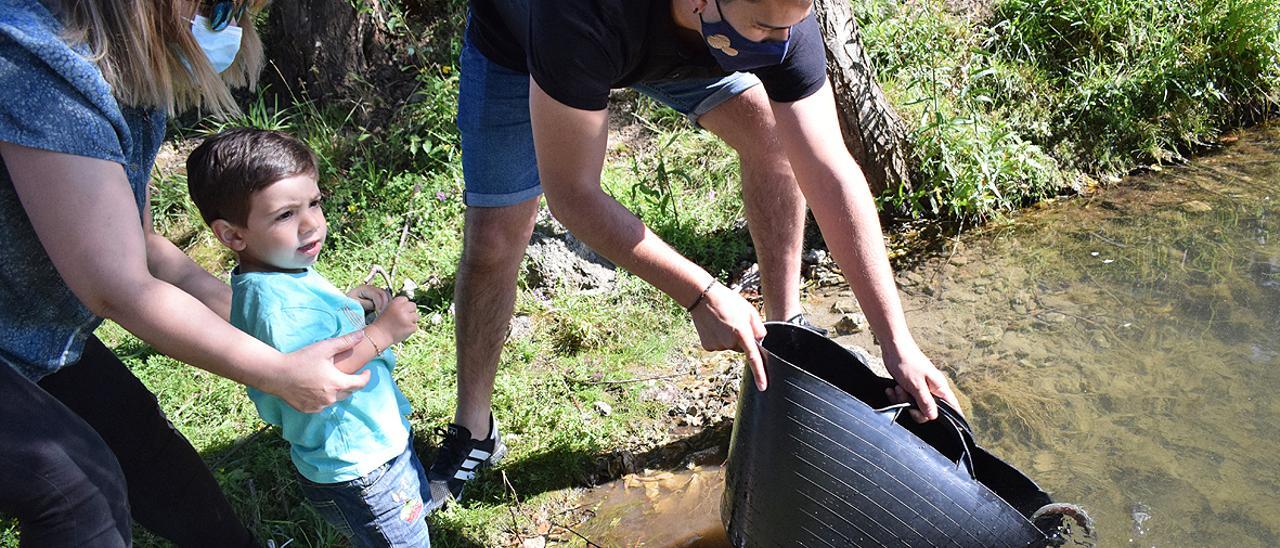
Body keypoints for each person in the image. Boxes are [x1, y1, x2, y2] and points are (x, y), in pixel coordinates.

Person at [427, 0, 963, 507]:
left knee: (775, 138)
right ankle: (474, 429)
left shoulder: (778, 21)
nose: (781, 45)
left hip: (683, 37)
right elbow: (573, 195)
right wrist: (702, 294)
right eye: (764, 30)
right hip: (523, 42)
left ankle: (785, 337)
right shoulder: (581, 13)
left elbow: (829, 168)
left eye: (789, 29)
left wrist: (897, 342)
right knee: (495, 240)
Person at [0, 1, 372, 545]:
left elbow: (143, 247)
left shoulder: (124, 73)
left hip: (26, 325)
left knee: (138, 437)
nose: (227, 21)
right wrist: (278, 373)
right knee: (77, 493)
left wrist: (279, 321)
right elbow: (118, 288)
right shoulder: (36, 63)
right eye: (217, 4)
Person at [186, 128, 432, 547]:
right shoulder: (277, 304)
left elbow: (309, 328)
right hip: (361, 467)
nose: (310, 223)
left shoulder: (275, 271)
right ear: (232, 235)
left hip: (368, 452)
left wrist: (349, 306)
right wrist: (382, 332)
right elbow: (319, 375)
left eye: (314, 203)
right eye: (285, 215)